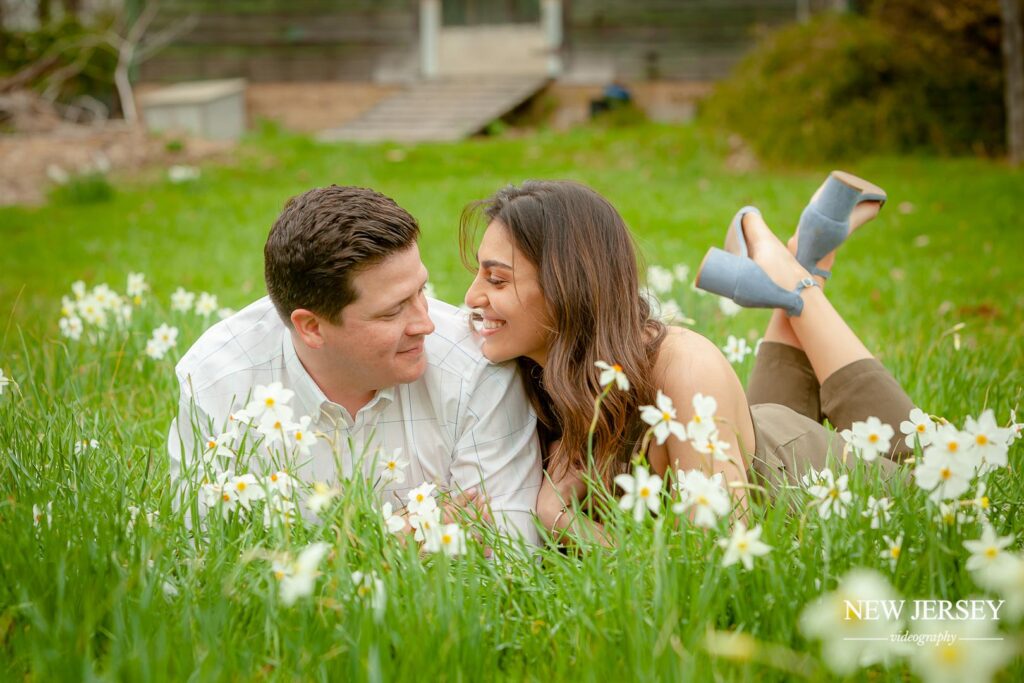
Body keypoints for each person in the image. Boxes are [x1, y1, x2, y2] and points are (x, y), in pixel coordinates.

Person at [459, 178, 914, 541]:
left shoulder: (683, 367)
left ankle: (792, 279)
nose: (471, 297)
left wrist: (558, 517)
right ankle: (805, 257)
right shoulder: (524, 373)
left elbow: (712, 562)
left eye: (497, 281)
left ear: (568, 286)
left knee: (948, 473)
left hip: (828, 480)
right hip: (749, 439)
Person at [168, 185, 542, 545]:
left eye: (420, 292)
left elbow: (507, 558)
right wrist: (387, 547)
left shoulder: (475, 367)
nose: (425, 324)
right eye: (392, 311)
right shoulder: (219, 381)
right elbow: (204, 557)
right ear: (311, 327)